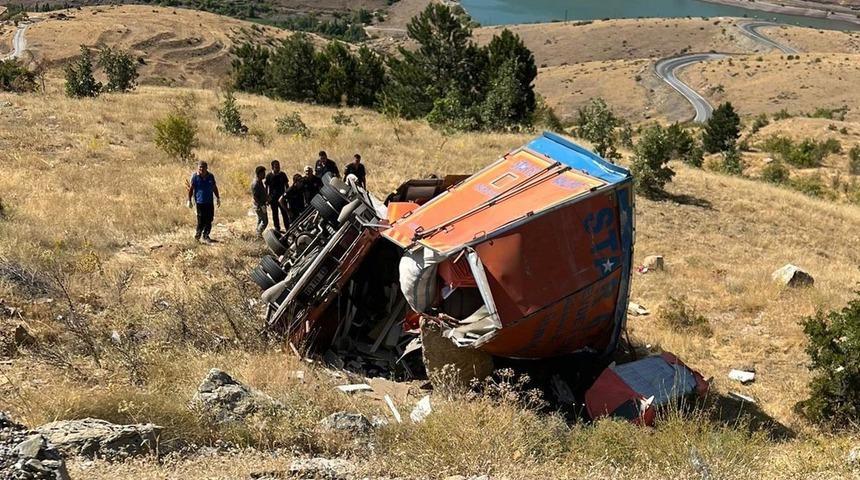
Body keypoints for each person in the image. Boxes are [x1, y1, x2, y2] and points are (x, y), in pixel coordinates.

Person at [187, 160, 220, 244]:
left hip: (209, 201)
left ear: (206, 168)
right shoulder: (195, 177)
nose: (201, 169)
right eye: (200, 167)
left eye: (203, 167)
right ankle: (197, 237)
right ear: (198, 168)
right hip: (199, 202)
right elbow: (191, 189)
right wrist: (189, 200)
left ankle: (206, 236)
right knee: (201, 220)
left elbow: (214, 187)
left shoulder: (210, 176)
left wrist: (218, 198)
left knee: (209, 219)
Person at [265, 160, 289, 232]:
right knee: (275, 214)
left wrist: (287, 195)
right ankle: (277, 229)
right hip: (273, 199)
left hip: (282, 198)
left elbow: (286, 185)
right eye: (276, 166)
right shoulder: (269, 176)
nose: (278, 168)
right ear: (272, 167)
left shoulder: (282, 175)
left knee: (284, 213)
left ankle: (288, 228)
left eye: (278, 166)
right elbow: (266, 187)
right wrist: (267, 198)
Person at [251, 165, 268, 237]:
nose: (264, 175)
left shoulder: (260, 182)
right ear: (259, 174)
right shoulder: (256, 184)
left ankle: (258, 235)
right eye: (263, 173)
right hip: (259, 206)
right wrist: (261, 206)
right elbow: (255, 197)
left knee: (260, 220)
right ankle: (258, 234)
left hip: (262, 204)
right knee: (265, 221)